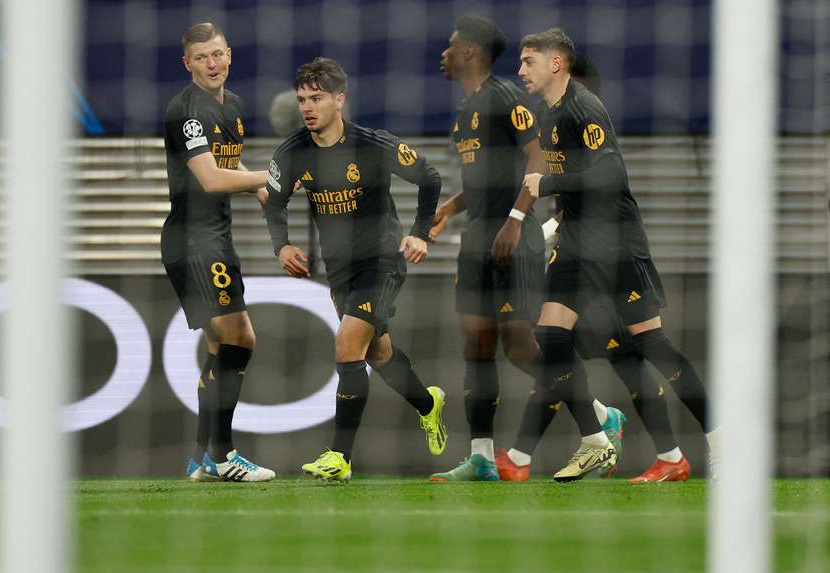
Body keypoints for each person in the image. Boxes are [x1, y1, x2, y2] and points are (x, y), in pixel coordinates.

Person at [514, 28, 718, 482]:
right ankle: (597, 440)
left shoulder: (584, 107)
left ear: (556, 64)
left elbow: (609, 172)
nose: (520, 69)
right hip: (576, 245)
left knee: (650, 346)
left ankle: (722, 441)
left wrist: (548, 185)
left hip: (617, 243)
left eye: (529, 61)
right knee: (549, 338)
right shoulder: (545, 113)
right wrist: (552, 226)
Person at [429, 16, 623, 483]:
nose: (444, 53)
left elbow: (536, 159)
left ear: (471, 53)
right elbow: (483, 181)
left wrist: (516, 220)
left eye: (451, 46)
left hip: (514, 237)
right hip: (477, 236)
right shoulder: (464, 113)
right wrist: (450, 210)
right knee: (476, 343)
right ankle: (479, 456)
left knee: (519, 346)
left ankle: (598, 416)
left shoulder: (508, 98)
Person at [265, 57, 447, 481]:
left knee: (347, 346)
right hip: (340, 270)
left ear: (339, 99)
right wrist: (282, 245)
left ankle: (339, 457)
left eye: (317, 98)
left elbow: (430, 177)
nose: (308, 107)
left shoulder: (373, 144)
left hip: (382, 261)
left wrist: (420, 233)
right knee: (377, 352)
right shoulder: (291, 152)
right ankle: (428, 403)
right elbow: (273, 200)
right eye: (302, 100)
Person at [162, 22, 274, 482]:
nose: (213, 64)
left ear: (230, 54)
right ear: (186, 63)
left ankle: (202, 458)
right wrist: (266, 178)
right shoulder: (186, 111)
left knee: (217, 346)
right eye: (202, 57)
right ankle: (224, 457)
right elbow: (210, 178)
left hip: (215, 238)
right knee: (240, 338)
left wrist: (257, 186)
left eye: (218, 54)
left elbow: (228, 166)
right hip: (194, 242)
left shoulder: (234, 106)